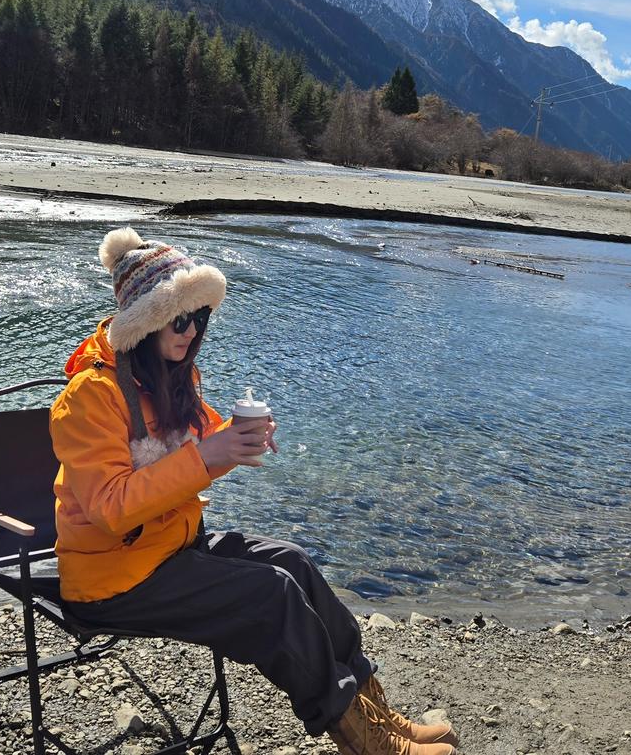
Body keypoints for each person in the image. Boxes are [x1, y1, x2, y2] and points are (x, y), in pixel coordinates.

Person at [50, 227, 458, 755]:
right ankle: (362, 739)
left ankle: (372, 707)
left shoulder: (171, 376)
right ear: (144, 321)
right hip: (111, 580)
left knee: (293, 563)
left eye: (200, 317)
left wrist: (235, 442)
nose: (191, 331)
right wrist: (209, 456)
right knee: (272, 594)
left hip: (169, 551)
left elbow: (195, 456)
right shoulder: (90, 397)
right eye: (179, 317)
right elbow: (110, 509)